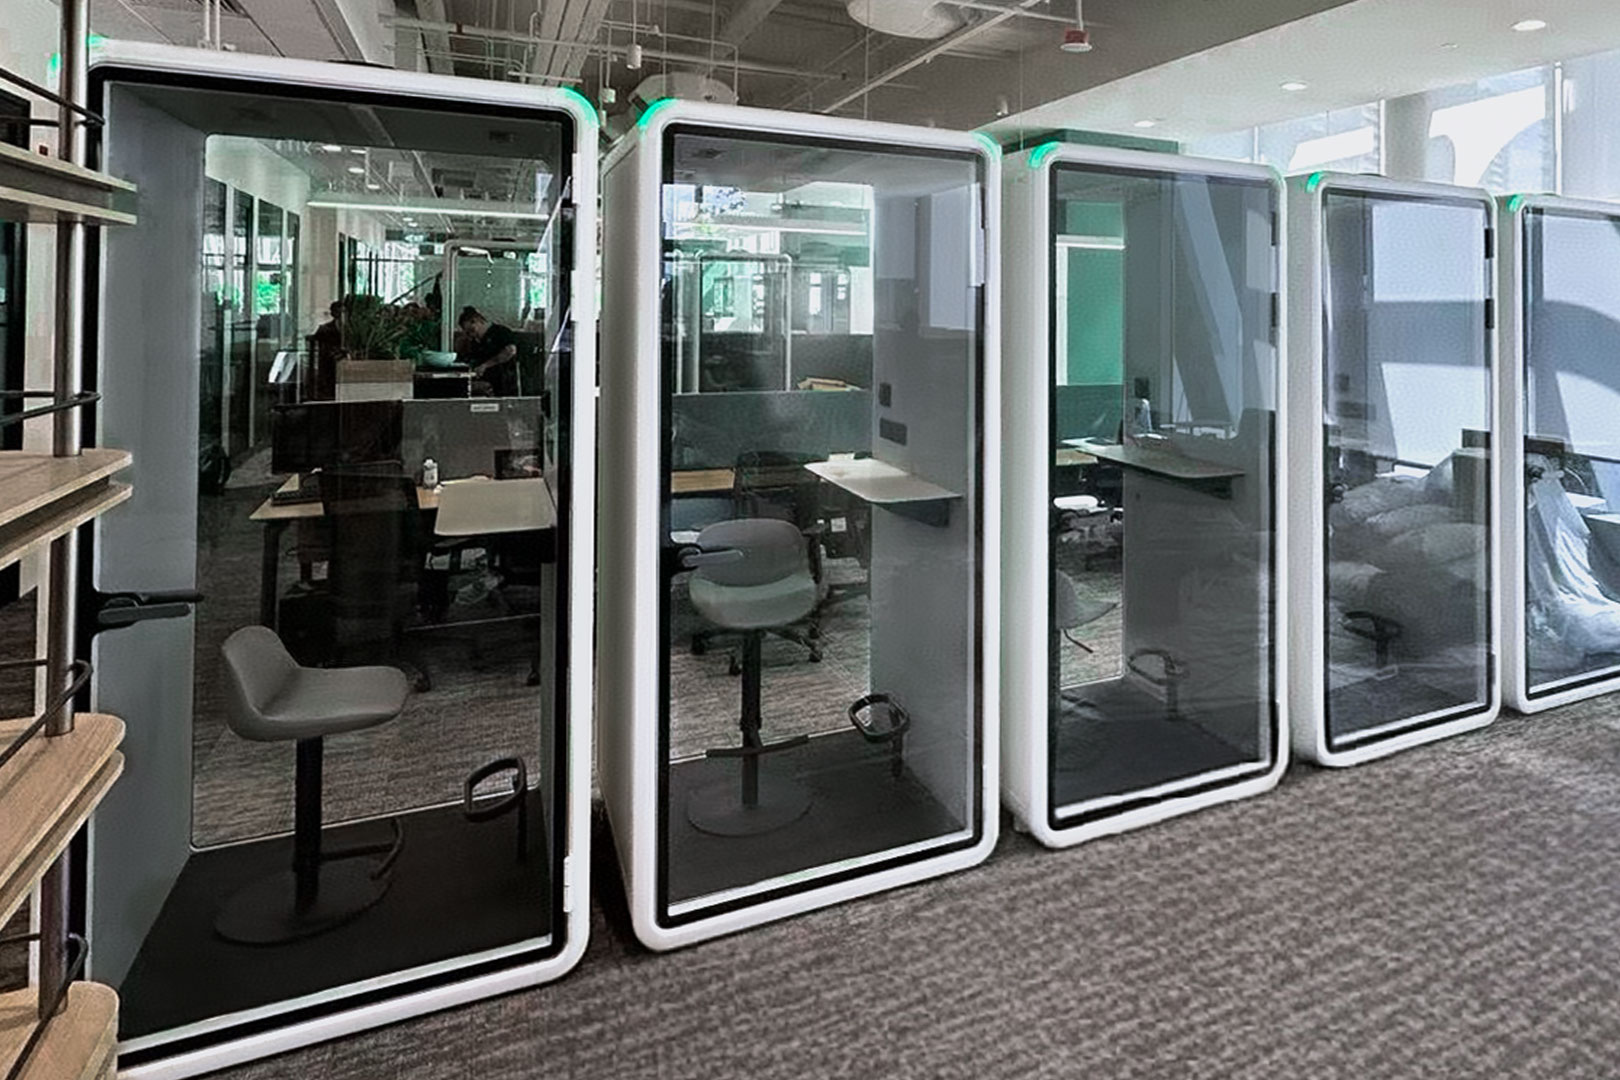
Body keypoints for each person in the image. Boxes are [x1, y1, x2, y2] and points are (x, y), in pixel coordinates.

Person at [458, 305, 521, 397]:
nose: (472, 335)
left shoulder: (501, 332)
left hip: (504, 382)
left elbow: (510, 351)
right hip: (485, 384)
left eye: (472, 330)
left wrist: (486, 365)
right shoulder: (475, 342)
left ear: (478, 321)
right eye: (468, 333)